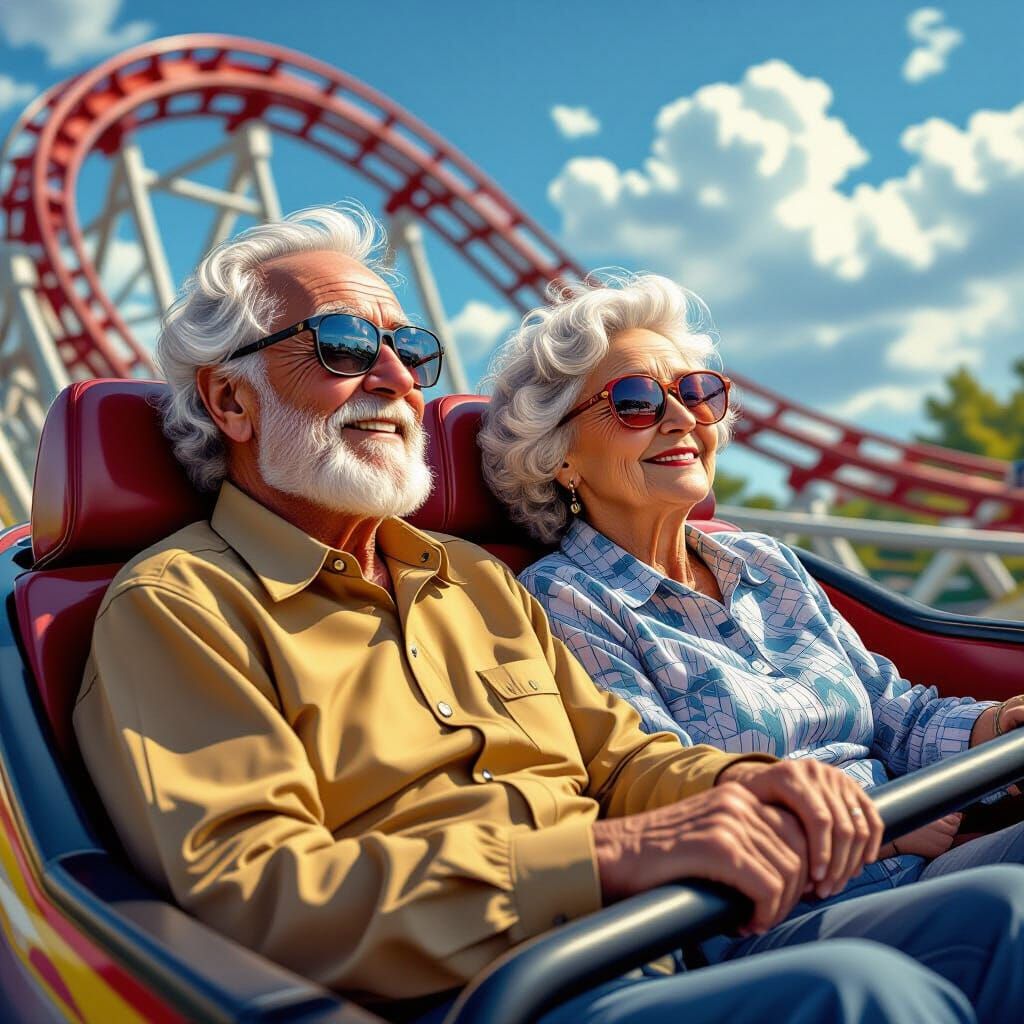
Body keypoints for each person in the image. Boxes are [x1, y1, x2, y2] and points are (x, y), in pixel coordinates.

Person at [74, 208, 1021, 1024]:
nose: (399, 380)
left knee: (1004, 921)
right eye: (343, 348)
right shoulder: (182, 608)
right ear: (230, 398)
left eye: (408, 351)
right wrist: (609, 856)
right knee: (856, 997)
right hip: (489, 988)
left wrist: (752, 783)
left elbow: (624, 758)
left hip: (658, 939)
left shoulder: (469, 578)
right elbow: (259, 893)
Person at [479, 271, 1024, 946]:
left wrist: (995, 727)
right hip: (784, 915)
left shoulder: (768, 562)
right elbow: (666, 797)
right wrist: (874, 828)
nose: (681, 417)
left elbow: (897, 716)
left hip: (917, 861)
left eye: (696, 393)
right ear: (559, 456)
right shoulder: (568, 602)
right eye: (635, 401)